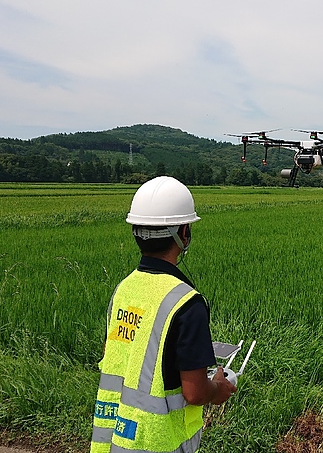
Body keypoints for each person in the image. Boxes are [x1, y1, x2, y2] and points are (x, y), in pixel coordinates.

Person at [91, 176, 236, 453]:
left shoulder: (124, 289)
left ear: (135, 231)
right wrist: (218, 387)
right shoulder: (186, 303)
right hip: (157, 442)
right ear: (184, 233)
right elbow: (195, 393)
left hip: (114, 438)